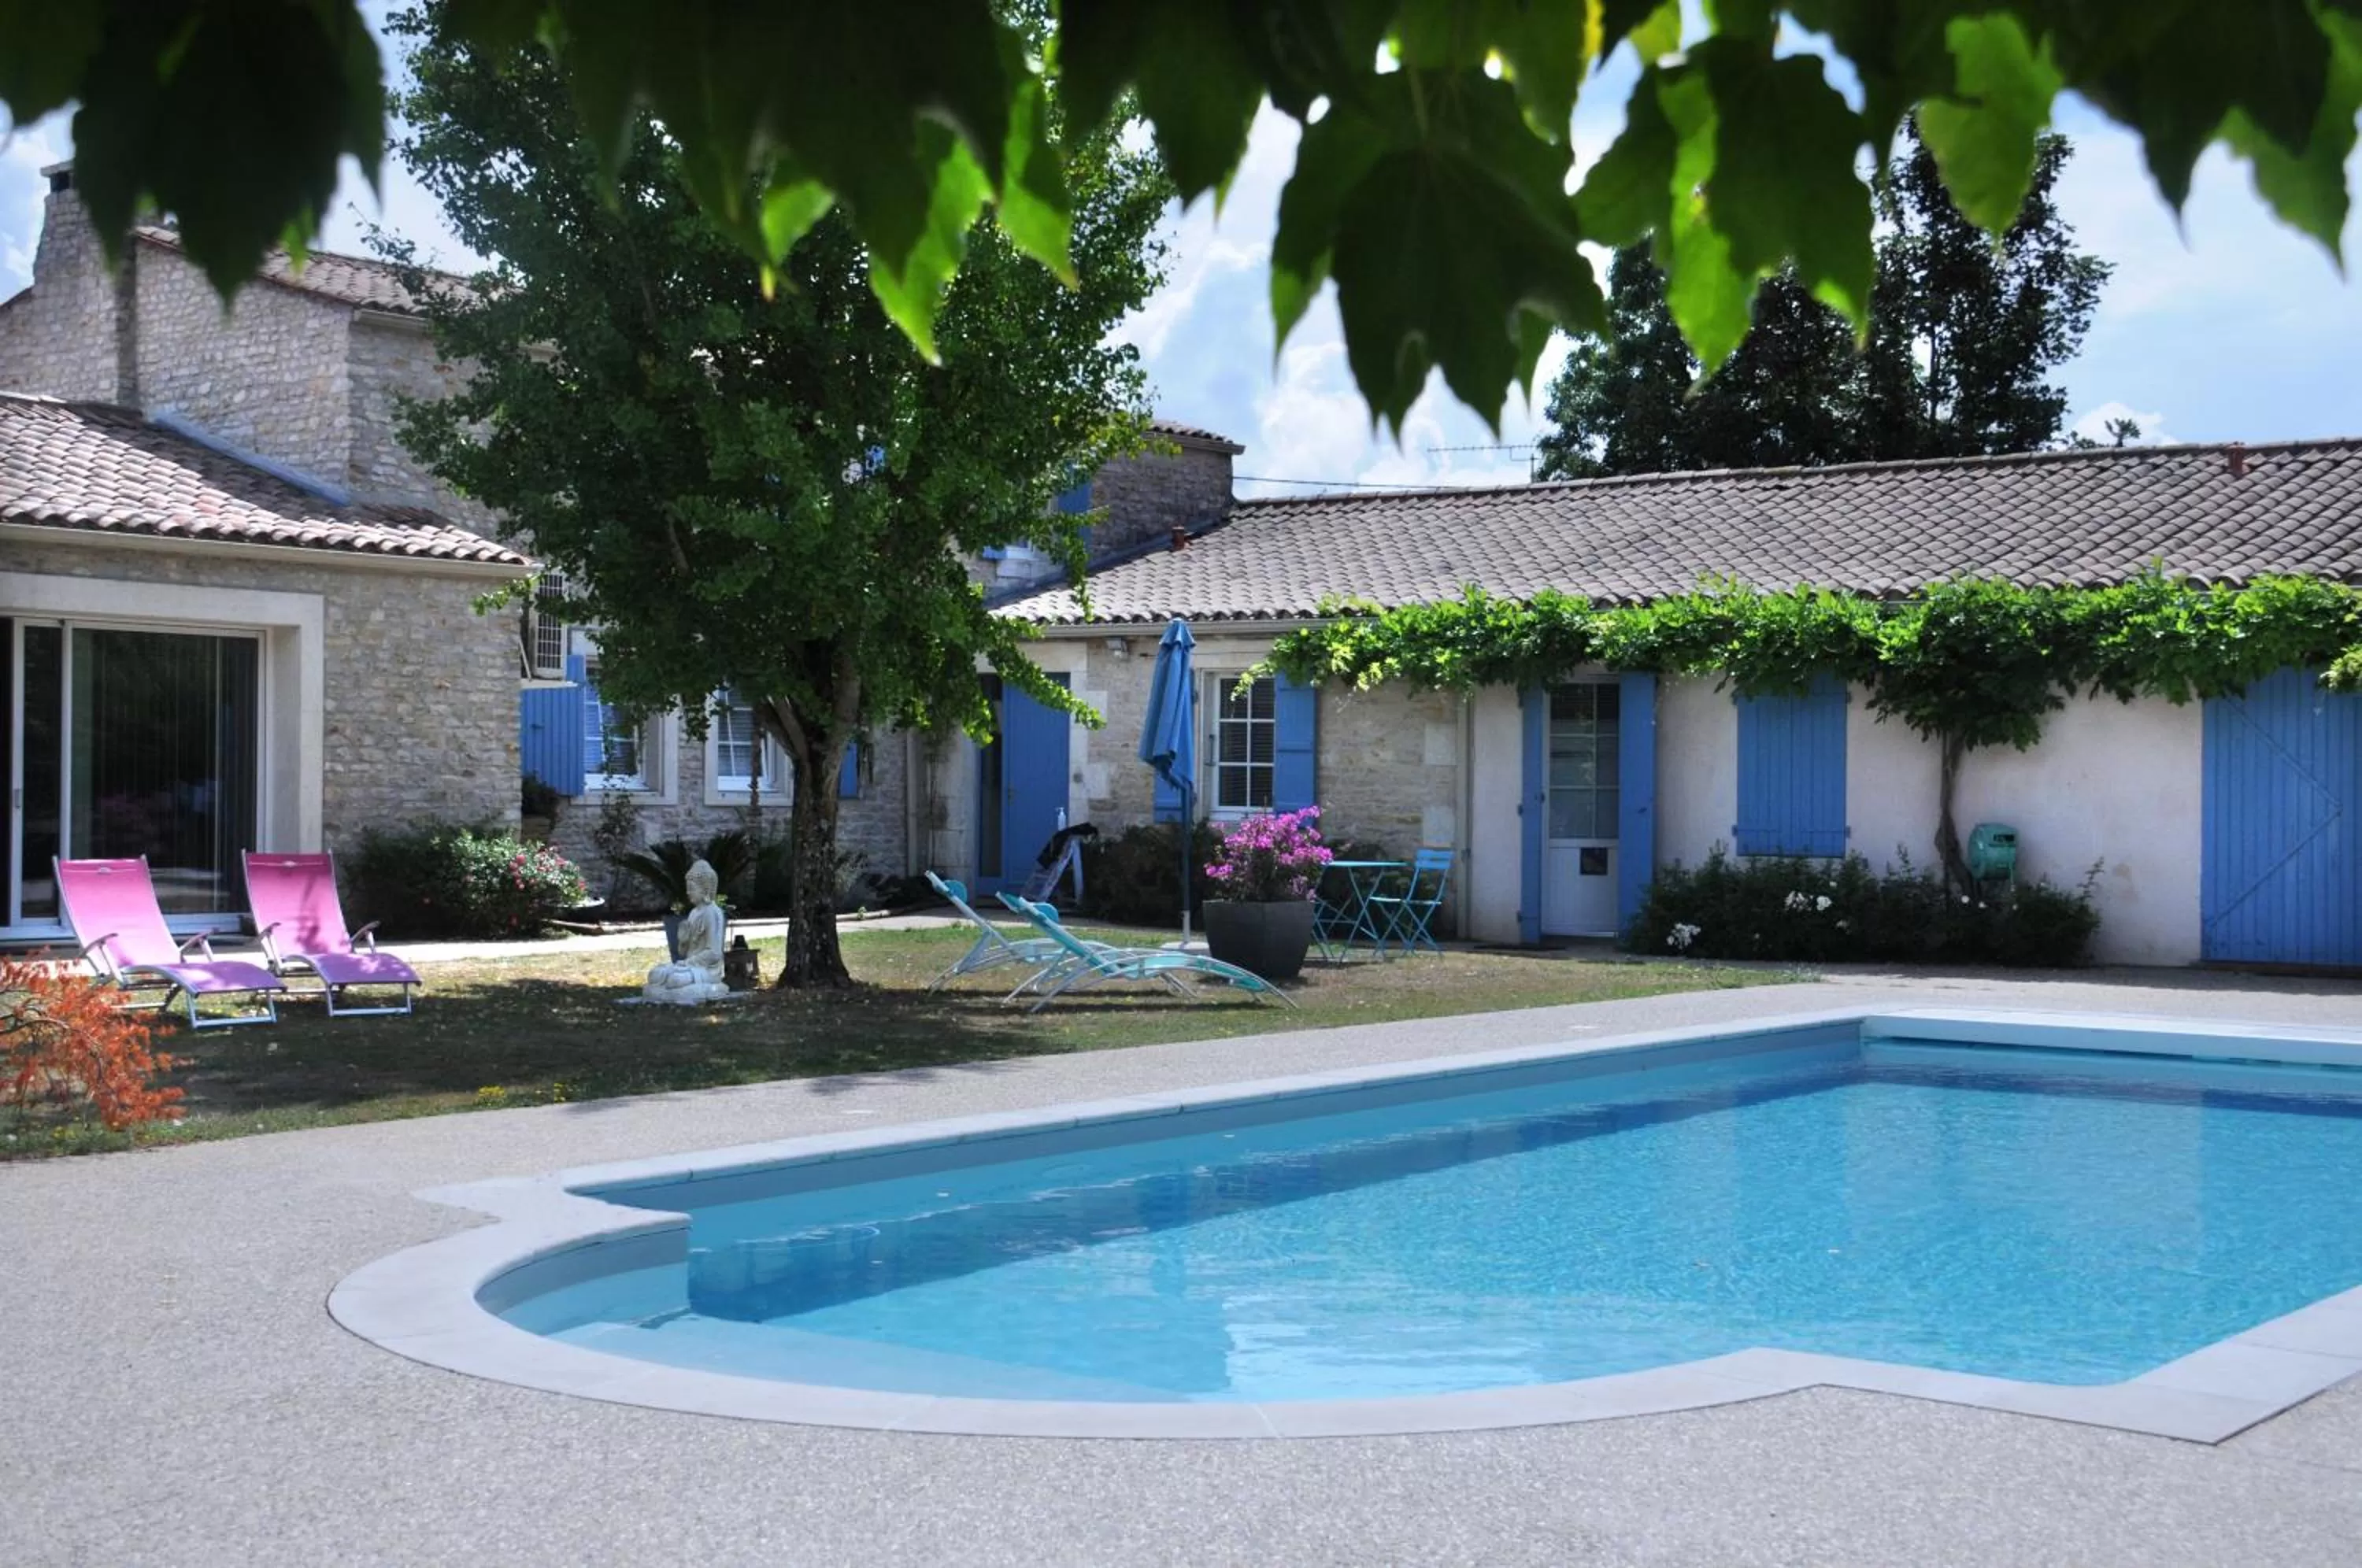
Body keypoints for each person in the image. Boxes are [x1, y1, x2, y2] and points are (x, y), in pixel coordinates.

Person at [641, 859, 731, 1004]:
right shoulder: (693, 913)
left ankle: (704, 990)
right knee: (655, 975)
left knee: (675, 980)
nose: (688, 892)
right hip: (689, 966)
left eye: (692, 888)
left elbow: (714, 953)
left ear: (705, 890)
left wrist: (688, 963)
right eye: (687, 888)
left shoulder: (712, 913)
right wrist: (683, 941)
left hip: (707, 971)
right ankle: (671, 991)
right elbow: (683, 953)